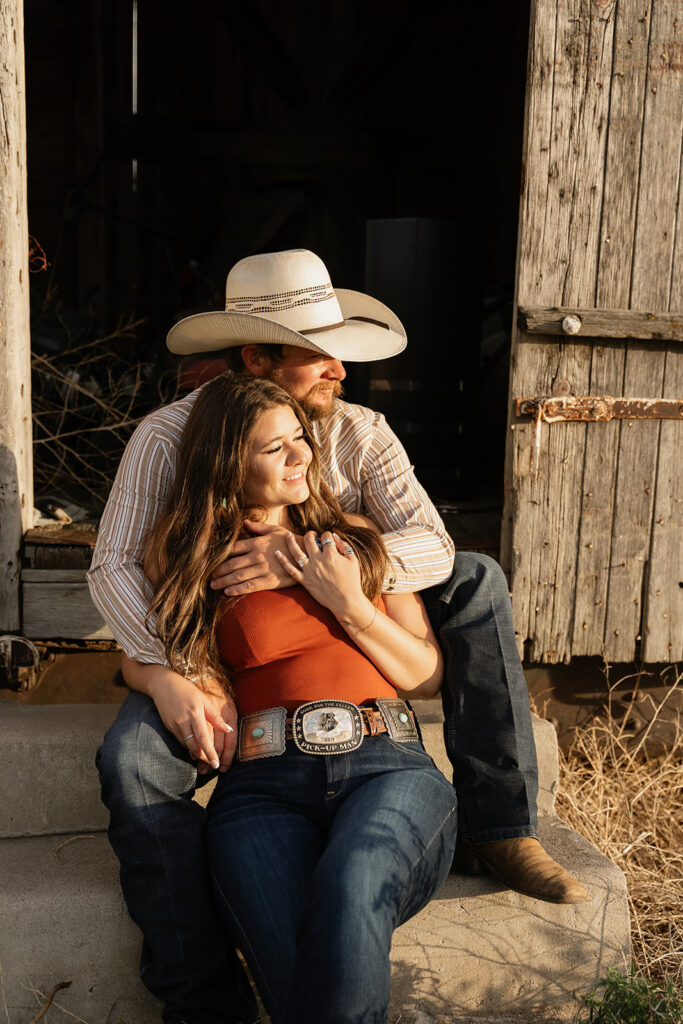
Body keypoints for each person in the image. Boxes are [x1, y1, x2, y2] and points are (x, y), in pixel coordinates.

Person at [91, 248, 587, 1024]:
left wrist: (322, 562)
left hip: (360, 633)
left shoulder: (361, 432)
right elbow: (114, 569)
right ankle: (199, 997)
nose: (340, 370)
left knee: (480, 579)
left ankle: (496, 824)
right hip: (234, 696)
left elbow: (434, 547)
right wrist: (169, 671)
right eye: (319, 353)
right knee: (128, 760)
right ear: (257, 357)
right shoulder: (170, 439)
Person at [124, 373, 457, 1024]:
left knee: (350, 881)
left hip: (386, 766)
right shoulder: (189, 551)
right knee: (298, 984)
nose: (303, 454)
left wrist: (347, 603)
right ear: (226, 463)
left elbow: (425, 676)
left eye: (300, 438)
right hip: (261, 789)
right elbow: (142, 653)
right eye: (275, 449)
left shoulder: (356, 535)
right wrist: (162, 679)